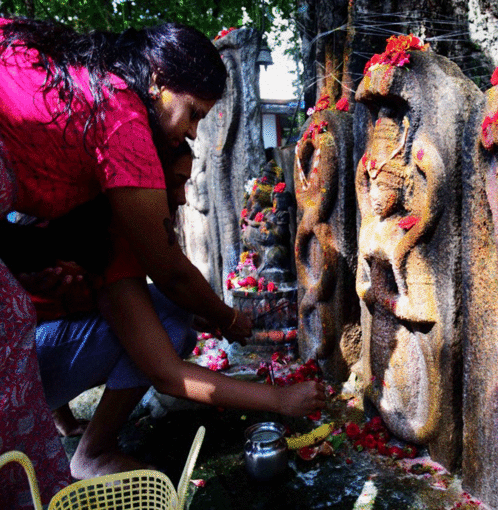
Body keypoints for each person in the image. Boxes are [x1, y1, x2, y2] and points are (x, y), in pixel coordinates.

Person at [0, 16, 323, 508]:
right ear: (156, 81)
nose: (186, 135)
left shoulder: (88, 107)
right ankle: (51, 475)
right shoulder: (123, 120)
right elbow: (171, 280)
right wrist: (268, 383)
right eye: (192, 114)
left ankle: (62, 440)